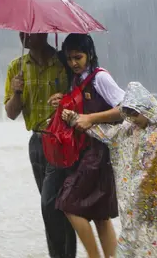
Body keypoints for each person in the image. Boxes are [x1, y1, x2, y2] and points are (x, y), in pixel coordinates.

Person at [62, 82, 157, 257]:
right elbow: (103, 132)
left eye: (135, 113)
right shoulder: (128, 130)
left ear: (146, 107)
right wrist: (74, 118)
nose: (132, 118)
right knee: (129, 241)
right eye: (128, 113)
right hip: (137, 198)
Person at [3, 32, 76, 258]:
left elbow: (81, 99)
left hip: (63, 141)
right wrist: (17, 92)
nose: (23, 36)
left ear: (44, 33)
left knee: (51, 204)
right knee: (54, 208)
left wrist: (64, 101)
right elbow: (11, 113)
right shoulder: (17, 67)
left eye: (29, 32)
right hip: (37, 143)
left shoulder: (64, 63)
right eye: (21, 32)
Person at [53, 33, 125, 258]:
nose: (73, 63)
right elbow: (79, 111)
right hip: (85, 151)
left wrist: (91, 119)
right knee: (101, 216)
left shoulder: (100, 78)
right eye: (69, 58)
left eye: (78, 57)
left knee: (67, 204)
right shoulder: (76, 79)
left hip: (100, 153)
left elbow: (125, 109)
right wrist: (62, 100)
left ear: (90, 55)